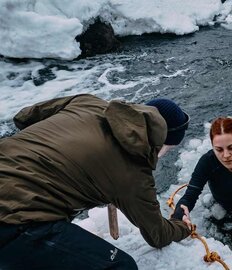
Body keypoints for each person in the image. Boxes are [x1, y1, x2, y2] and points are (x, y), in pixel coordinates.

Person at [0, 94, 193, 270]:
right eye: (166, 149)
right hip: (14, 218)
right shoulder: (134, 174)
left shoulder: (86, 102)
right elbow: (158, 235)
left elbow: (23, 117)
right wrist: (183, 226)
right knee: (121, 266)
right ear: (159, 142)